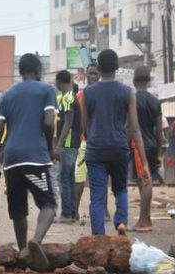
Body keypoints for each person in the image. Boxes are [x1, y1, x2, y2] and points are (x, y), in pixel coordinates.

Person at [0, 53, 57, 270]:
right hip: (36, 157)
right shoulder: (47, 90)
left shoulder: (7, 94)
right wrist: (50, 148)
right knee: (49, 204)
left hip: (12, 159)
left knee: (18, 211)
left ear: (20, 71)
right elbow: (48, 122)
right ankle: (36, 240)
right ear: (37, 70)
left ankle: (24, 252)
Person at [80, 49, 150, 236]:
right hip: (119, 148)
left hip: (96, 150)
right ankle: (120, 221)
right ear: (117, 67)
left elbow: (83, 126)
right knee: (120, 188)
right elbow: (134, 128)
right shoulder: (127, 92)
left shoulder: (88, 93)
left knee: (97, 196)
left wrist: (88, 144)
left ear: (99, 68)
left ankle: (98, 236)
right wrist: (144, 162)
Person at [130, 66, 161, 232]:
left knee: (144, 181)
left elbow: (129, 127)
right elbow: (159, 131)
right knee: (146, 180)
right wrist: (158, 153)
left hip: (137, 145)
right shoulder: (155, 102)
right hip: (151, 145)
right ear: (148, 81)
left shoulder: (131, 100)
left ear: (134, 81)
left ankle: (143, 221)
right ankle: (146, 218)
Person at [54, 70, 82, 223]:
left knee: (63, 179)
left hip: (68, 145)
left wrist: (59, 145)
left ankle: (66, 213)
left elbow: (68, 122)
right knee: (69, 179)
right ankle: (71, 213)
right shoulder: (70, 97)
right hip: (72, 144)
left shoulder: (68, 97)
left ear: (59, 82)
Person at [74, 64, 100, 220]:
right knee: (79, 179)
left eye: (96, 73)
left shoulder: (104, 95)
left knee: (99, 179)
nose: (93, 76)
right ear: (86, 75)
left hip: (99, 142)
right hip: (84, 142)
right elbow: (76, 121)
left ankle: (103, 211)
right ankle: (75, 211)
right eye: (91, 73)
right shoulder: (80, 96)